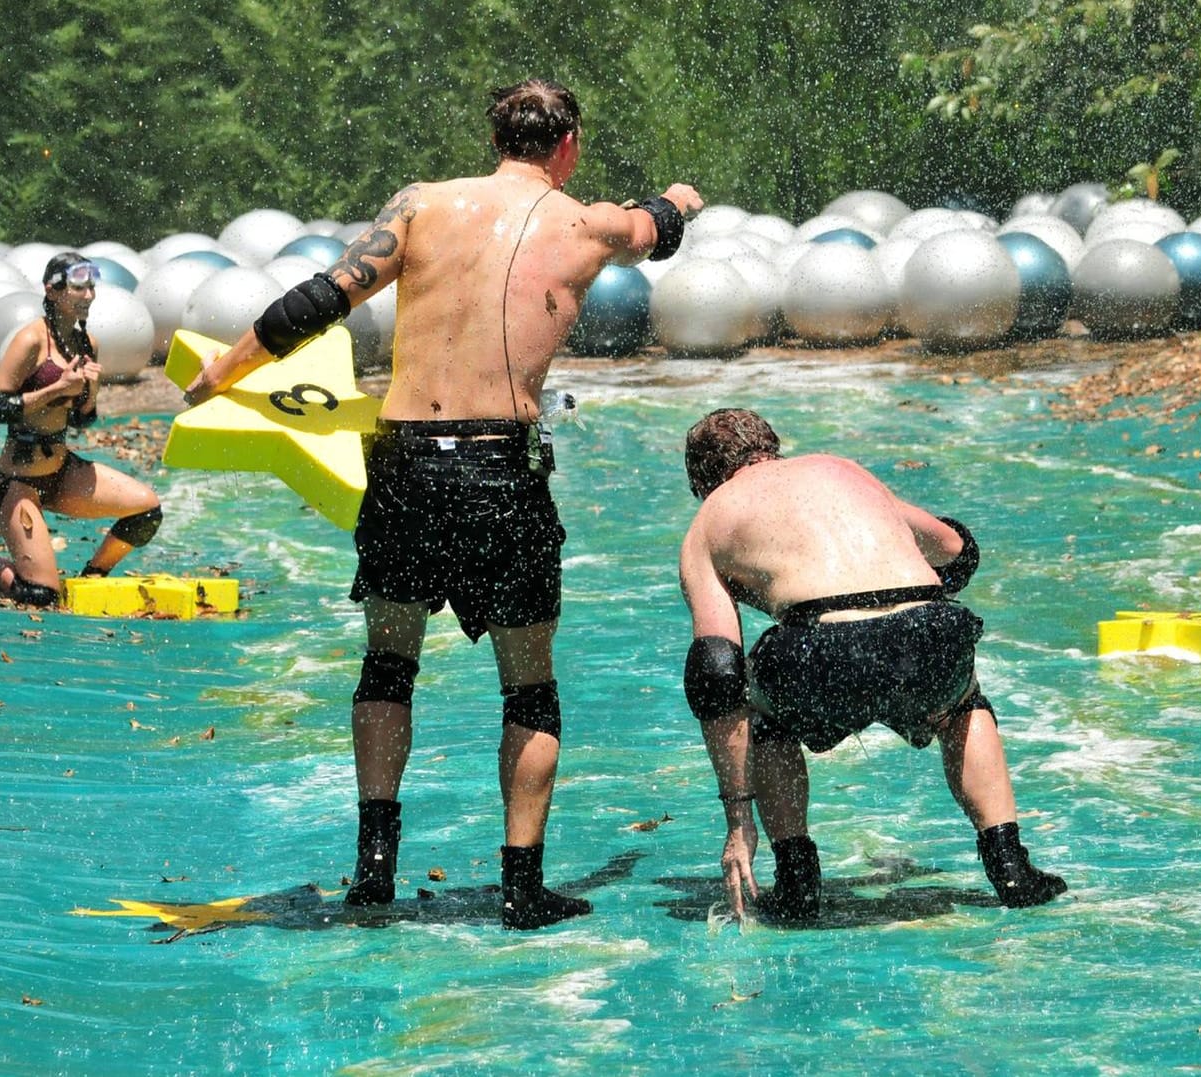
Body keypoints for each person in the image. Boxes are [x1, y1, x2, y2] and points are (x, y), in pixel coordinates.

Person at [183, 79, 702, 929]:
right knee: (527, 685)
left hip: (408, 463)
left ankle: (374, 871)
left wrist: (224, 370)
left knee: (389, 664)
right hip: (502, 466)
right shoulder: (586, 222)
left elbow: (322, 297)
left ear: (495, 137)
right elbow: (658, 231)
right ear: (567, 145)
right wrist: (676, 200)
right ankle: (520, 886)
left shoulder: (420, 205)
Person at [676, 408, 1067, 922]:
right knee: (963, 704)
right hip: (929, 634)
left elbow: (716, 669)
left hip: (819, 656)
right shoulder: (841, 470)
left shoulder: (710, 521)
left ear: (703, 481)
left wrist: (737, 816)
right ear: (772, 446)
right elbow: (956, 548)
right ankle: (1010, 864)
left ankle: (796, 879)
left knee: (765, 713)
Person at [0, 252, 163, 606]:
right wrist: (56, 389)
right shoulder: (30, 339)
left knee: (146, 510)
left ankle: (92, 578)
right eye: (79, 288)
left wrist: (89, 392)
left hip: (61, 472)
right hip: (19, 481)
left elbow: (80, 420)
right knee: (39, 595)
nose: (89, 295)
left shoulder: (88, 344)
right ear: (53, 290)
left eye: (91, 287)